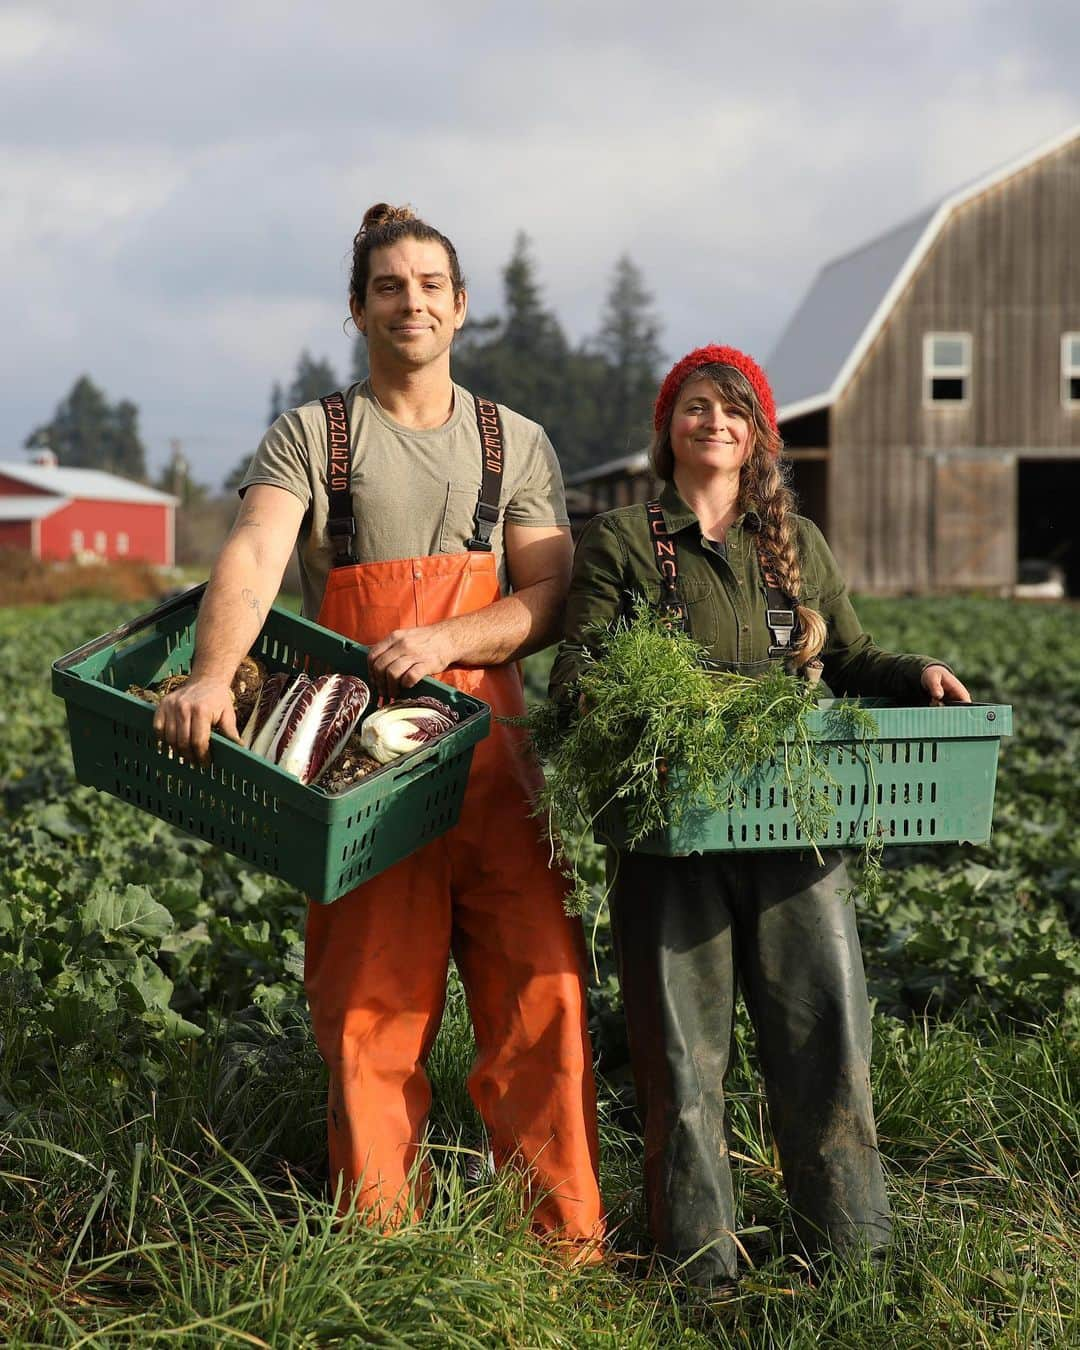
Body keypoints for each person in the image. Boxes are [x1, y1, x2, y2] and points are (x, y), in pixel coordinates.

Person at [154, 203, 604, 1252]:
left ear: (460, 307)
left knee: (545, 1006)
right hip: (360, 784)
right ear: (358, 308)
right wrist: (213, 676)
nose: (413, 302)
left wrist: (449, 636)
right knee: (371, 1016)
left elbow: (551, 592)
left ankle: (565, 1248)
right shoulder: (317, 435)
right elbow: (257, 555)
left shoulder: (514, 442)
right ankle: (379, 1255)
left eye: (431, 286)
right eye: (390, 286)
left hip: (496, 773)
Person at [548, 344, 970, 1288]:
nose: (714, 424)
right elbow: (577, 664)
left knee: (826, 1037)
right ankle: (699, 1269)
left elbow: (852, 657)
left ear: (757, 436)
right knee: (682, 1062)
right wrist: (617, 697)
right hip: (670, 833)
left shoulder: (793, 544)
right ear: (669, 428)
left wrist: (915, 677)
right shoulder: (621, 539)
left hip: (794, 825)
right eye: (695, 407)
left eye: (733, 411)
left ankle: (850, 1255)